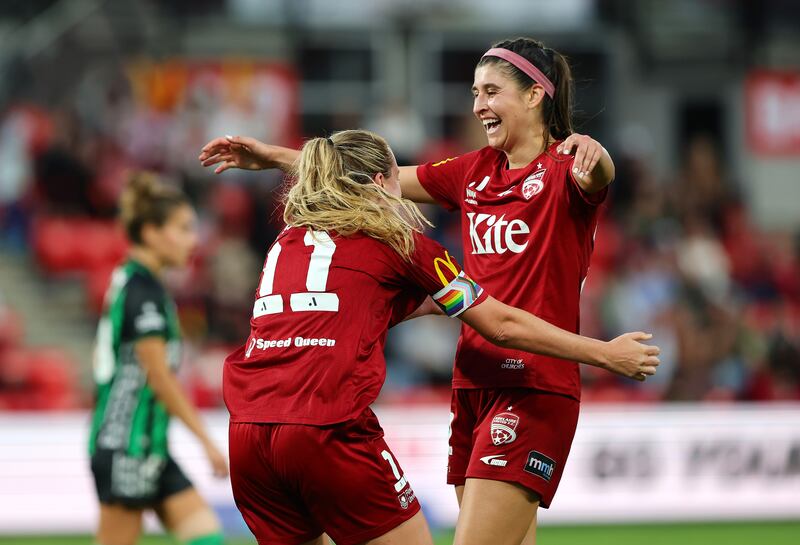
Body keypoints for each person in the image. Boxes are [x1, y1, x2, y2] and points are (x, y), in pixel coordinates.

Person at [220, 129, 659, 545]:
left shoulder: (288, 242)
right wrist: (603, 354)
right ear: (379, 181)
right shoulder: (397, 244)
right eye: (398, 178)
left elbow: (354, 313)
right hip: (326, 430)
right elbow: (501, 325)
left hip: (248, 438)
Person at [88, 173, 228, 545]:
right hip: (127, 447)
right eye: (183, 229)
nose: (193, 240)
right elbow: (159, 377)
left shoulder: (137, 282)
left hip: (152, 445)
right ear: (150, 232)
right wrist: (206, 441)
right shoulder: (143, 293)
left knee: (208, 538)